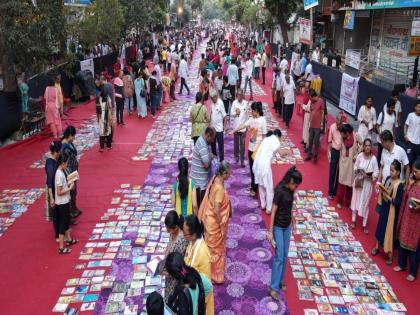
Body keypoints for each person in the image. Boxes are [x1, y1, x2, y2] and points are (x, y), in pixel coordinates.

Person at [267, 167, 302, 300]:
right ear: (291, 181)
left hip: (287, 226)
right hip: (278, 227)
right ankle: (273, 287)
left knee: (285, 254)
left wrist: (292, 216)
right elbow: (273, 211)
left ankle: (280, 281)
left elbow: (290, 205)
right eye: (295, 185)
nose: (296, 188)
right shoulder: (280, 191)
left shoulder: (290, 191)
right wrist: (270, 231)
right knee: (279, 256)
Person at [198, 161, 231, 284]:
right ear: (223, 173)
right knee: (216, 249)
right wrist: (221, 225)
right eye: (228, 174)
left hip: (208, 218)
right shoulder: (219, 189)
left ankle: (207, 270)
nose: (229, 176)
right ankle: (216, 275)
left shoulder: (214, 178)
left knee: (210, 247)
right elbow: (217, 209)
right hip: (214, 222)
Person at [372, 160, 405, 265]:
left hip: (392, 212)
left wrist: (389, 198)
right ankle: (377, 247)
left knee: (390, 231)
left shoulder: (400, 185)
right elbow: (384, 191)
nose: (391, 172)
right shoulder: (387, 179)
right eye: (390, 170)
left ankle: (389, 255)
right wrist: (380, 188)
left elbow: (399, 201)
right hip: (385, 208)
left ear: (398, 172)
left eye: (393, 171)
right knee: (380, 227)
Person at [253, 129, 290, 214]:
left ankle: (263, 204)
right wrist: (288, 151)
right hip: (265, 165)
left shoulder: (267, 139)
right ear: (278, 136)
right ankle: (269, 208)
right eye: (280, 138)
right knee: (269, 187)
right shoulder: (275, 141)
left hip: (257, 163)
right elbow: (281, 154)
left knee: (261, 184)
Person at [183, 215, 214, 315]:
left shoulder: (203, 253)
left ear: (193, 234)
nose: (184, 236)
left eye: (185, 234)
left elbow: (206, 285)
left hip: (200, 299)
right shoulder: (192, 242)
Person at [395, 158, 420, 281]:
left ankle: (413, 272)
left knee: (414, 246)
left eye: (416, 172)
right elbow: (405, 196)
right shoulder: (412, 182)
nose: (414, 174)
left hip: (417, 221)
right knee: (403, 240)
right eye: (413, 171)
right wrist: (409, 185)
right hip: (407, 216)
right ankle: (402, 264)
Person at [159, 211, 189, 303]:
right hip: (168, 269)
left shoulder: (181, 241)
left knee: (174, 299)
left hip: (175, 275)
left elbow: (178, 266)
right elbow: (169, 247)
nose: (168, 232)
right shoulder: (172, 233)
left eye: (169, 230)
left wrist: (165, 272)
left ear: (176, 227)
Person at [350, 138, 379, 233]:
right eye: (365, 145)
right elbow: (355, 166)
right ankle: (353, 220)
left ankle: (364, 224)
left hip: (367, 184)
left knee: (365, 203)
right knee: (355, 199)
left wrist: (370, 176)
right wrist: (358, 171)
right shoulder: (359, 156)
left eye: (369, 146)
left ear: (371, 147)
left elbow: (376, 172)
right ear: (363, 147)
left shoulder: (374, 159)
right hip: (359, 181)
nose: (367, 147)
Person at [54, 152, 77, 254]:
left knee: (66, 221)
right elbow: (58, 192)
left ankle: (69, 239)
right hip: (62, 203)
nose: (67, 164)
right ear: (62, 163)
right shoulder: (59, 174)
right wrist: (69, 188)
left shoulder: (62, 171)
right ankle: (61, 247)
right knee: (63, 225)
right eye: (67, 163)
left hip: (65, 201)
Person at [191, 127, 216, 209]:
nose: (213, 141)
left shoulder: (202, 140)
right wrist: (210, 157)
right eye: (212, 138)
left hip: (198, 179)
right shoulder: (202, 145)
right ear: (208, 135)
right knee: (200, 208)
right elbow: (206, 165)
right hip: (199, 184)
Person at [336, 124, 360, 209]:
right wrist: (340, 139)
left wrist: (357, 155)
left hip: (352, 164)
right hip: (343, 163)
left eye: (343, 134)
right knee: (342, 183)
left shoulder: (355, 135)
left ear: (348, 133)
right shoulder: (341, 137)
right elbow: (338, 147)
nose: (342, 135)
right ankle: (339, 201)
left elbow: (362, 144)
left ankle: (348, 202)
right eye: (341, 134)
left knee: (350, 185)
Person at [61, 126, 82, 220]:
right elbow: (64, 162)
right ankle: (69, 214)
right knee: (70, 192)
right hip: (69, 171)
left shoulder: (69, 143)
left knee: (74, 191)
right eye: (73, 136)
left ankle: (74, 209)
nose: (74, 138)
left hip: (73, 170)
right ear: (69, 135)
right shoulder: (64, 146)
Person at [305, 89, 326, 163]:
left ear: (314, 97)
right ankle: (309, 155)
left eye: (311, 98)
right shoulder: (312, 102)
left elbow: (323, 113)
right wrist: (309, 122)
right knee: (310, 140)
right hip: (312, 125)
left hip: (317, 126)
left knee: (316, 142)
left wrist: (322, 124)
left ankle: (315, 156)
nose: (310, 99)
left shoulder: (321, 101)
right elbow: (311, 112)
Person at [327, 113, 345, 199]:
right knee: (332, 171)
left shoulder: (345, 127)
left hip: (342, 152)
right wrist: (329, 153)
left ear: (342, 122)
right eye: (337, 123)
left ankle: (335, 191)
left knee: (340, 172)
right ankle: (330, 191)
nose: (338, 125)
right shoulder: (332, 127)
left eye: (340, 123)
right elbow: (330, 141)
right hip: (334, 151)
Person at [45, 141, 62, 233]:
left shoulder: (55, 159)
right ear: (57, 151)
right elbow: (49, 182)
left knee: (60, 210)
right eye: (60, 151)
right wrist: (51, 197)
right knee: (56, 212)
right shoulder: (50, 164)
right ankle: (57, 233)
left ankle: (61, 230)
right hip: (54, 190)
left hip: (58, 187)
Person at [230, 89, 248, 166]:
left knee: (243, 144)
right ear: (237, 95)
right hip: (236, 127)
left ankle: (242, 160)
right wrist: (235, 113)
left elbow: (247, 115)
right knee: (236, 144)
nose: (239, 96)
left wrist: (247, 125)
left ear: (242, 95)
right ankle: (236, 157)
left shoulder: (245, 103)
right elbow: (231, 113)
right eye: (238, 95)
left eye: (241, 95)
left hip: (243, 128)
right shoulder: (234, 103)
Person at [210, 90, 227, 162]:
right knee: (212, 145)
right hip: (213, 128)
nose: (211, 99)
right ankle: (214, 160)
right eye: (210, 98)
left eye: (212, 98)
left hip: (219, 129)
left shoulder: (220, 103)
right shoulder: (212, 102)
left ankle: (221, 161)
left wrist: (225, 128)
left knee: (220, 146)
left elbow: (225, 116)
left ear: (216, 97)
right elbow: (211, 112)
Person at [404, 101, 420, 167]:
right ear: (415, 107)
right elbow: (406, 125)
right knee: (408, 161)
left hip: (418, 143)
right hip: (410, 142)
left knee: (416, 162)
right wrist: (405, 135)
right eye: (419, 107)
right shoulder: (410, 115)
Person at [97, 87, 113, 152]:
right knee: (108, 131)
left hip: (102, 116)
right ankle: (109, 146)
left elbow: (98, 110)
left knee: (102, 133)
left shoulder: (99, 99)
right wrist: (111, 114)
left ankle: (102, 148)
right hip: (107, 115)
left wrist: (98, 118)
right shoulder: (108, 98)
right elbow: (110, 107)